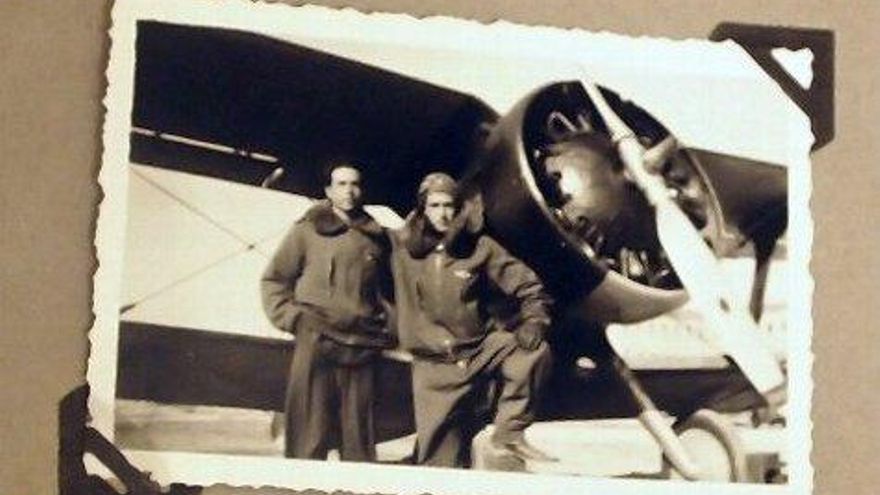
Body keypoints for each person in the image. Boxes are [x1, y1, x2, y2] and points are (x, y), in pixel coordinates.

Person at [390, 172, 557, 468]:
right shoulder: (401, 248)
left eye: (449, 206)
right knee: (439, 464)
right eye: (435, 206)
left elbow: (530, 286)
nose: (443, 213)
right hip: (434, 368)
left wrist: (534, 320)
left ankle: (509, 433)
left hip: (478, 352)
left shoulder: (480, 247)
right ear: (422, 209)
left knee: (531, 350)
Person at [261, 163, 394, 461]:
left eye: (355, 184)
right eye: (342, 184)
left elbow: (392, 293)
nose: (349, 191)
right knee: (309, 436)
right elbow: (274, 280)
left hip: (362, 347)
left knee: (359, 443)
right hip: (316, 343)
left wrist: (389, 328)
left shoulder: (377, 238)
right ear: (329, 191)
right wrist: (294, 319)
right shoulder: (306, 232)